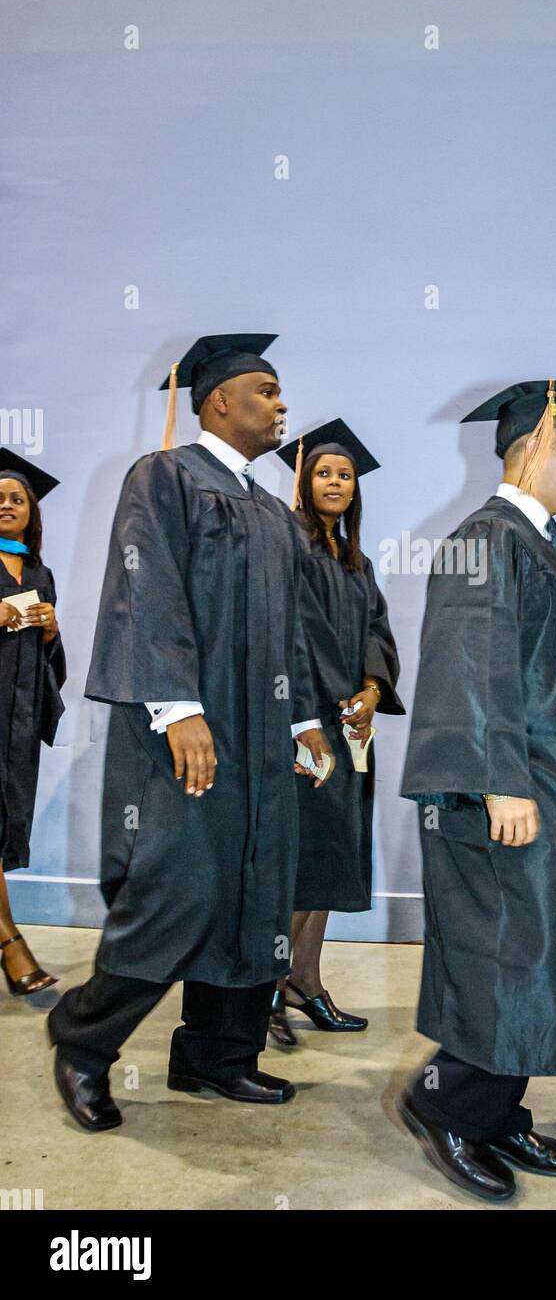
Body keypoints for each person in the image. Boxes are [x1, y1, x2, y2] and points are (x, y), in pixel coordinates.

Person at [47, 333, 333, 1133]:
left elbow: (293, 632)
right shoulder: (164, 478)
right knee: (179, 892)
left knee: (255, 889)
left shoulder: (276, 514)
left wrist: (306, 719)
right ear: (218, 401)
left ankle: (217, 1054)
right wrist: (177, 708)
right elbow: (147, 591)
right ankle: (83, 1042)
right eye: (267, 392)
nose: (282, 406)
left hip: (262, 736)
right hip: (189, 732)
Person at [399, 378, 556, 1203]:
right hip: (498, 797)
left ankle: (498, 1108)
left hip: (548, 788)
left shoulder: (543, 549)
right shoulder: (486, 539)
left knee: (538, 957)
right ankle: (445, 1107)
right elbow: (472, 664)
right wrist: (501, 783)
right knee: (503, 958)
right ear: (531, 446)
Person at [268, 420, 404, 1043]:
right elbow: (283, 639)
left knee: (329, 857)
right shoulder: (286, 549)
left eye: (344, 475)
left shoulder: (359, 564)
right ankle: (265, 987)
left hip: (351, 730)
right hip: (303, 727)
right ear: (302, 481)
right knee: (299, 862)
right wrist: (303, 718)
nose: (335, 482)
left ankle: (305, 980)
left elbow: (377, 632)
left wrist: (373, 692)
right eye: (323, 472)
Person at [0, 450, 66, 996]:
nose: (6, 505)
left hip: (18, 724)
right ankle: (9, 942)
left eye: (17, 499)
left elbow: (53, 662)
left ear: (31, 513)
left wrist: (48, 630)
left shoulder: (40, 573)